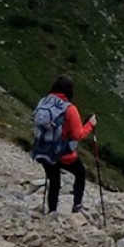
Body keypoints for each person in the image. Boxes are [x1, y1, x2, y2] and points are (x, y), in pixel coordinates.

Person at [33, 74, 97, 214]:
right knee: (80, 173)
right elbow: (77, 134)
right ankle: (77, 205)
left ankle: (52, 212)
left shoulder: (43, 102)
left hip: (44, 151)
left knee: (54, 181)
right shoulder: (70, 109)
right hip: (63, 154)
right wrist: (90, 125)